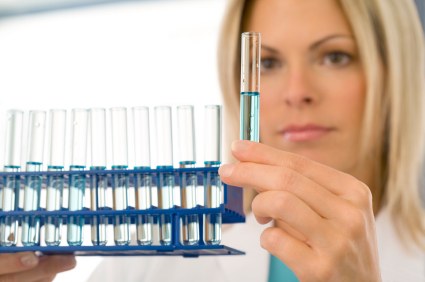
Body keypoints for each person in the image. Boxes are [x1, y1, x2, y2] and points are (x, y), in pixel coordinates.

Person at [87, 0, 425, 281]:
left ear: (394, 73)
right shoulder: (152, 258)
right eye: (268, 62)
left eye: (334, 57)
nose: (297, 92)